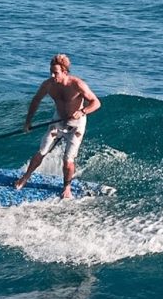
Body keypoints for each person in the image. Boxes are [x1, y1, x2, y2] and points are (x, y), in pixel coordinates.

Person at [14, 53, 101, 199]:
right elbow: (35, 101)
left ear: (65, 72)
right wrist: (28, 122)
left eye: (56, 73)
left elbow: (96, 103)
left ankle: (67, 188)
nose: (53, 76)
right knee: (42, 151)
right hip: (58, 121)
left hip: (76, 125)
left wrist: (82, 111)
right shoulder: (48, 85)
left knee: (68, 159)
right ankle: (26, 177)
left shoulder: (77, 84)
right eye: (51, 72)